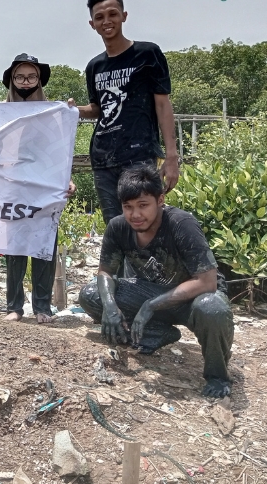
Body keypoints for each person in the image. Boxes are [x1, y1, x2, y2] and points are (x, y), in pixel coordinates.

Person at [78, 165, 234, 398]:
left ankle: (217, 376)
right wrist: (110, 307)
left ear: (160, 200)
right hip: (149, 291)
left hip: (192, 298)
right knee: (91, 294)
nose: (135, 215)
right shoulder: (118, 227)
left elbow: (207, 282)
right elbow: (105, 273)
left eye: (143, 205)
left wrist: (151, 305)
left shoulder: (182, 224)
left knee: (212, 308)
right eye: (128, 207)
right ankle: (156, 333)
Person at [69, 0, 179, 224]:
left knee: (144, 225)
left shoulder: (147, 54)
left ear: (124, 16)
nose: (106, 21)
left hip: (139, 156)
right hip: (102, 160)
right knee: (116, 228)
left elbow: (162, 105)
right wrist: (71, 110)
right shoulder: (94, 66)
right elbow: (97, 109)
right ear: (92, 24)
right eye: (99, 17)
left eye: (112, 14)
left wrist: (172, 156)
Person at [2, 53, 76, 324]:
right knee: (15, 249)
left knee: (44, 245)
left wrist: (66, 178)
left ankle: (42, 306)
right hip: (12, 187)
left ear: (39, 80)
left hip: (45, 188)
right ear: (12, 80)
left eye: (31, 76)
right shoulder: (0, 112)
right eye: (20, 77)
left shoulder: (54, 114)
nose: (25, 82)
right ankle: (14, 306)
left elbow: (61, 152)